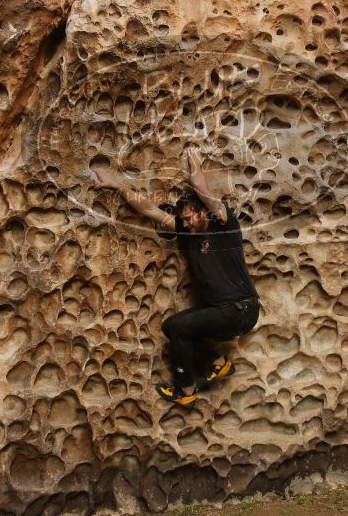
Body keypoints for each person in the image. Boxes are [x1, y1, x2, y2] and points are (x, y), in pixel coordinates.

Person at [92, 146, 260, 407]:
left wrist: (196, 167)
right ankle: (218, 364)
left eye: (190, 218)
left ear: (203, 212)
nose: (188, 224)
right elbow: (149, 210)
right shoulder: (188, 234)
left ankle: (185, 390)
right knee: (174, 328)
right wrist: (116, 185)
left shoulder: (224, 226)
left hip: (241, 309)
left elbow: (203, 191)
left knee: (176, 327)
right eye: (183, 220)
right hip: (224, 312)